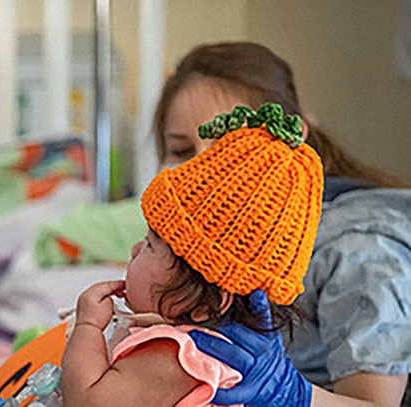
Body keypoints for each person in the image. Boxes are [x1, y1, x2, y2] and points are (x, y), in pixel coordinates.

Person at [154, 42, 411, 406]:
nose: (203, 170)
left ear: (293, 139)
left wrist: (290, 393)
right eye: (181, 152)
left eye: (228, 147)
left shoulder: (359, 251)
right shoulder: (210, 246)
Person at [61, 103, 322, 407]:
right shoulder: (202, 348)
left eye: (149, 245)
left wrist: (88, 327)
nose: (133, 250)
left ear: (199, 303)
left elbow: (85, 401)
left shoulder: (179, 355)